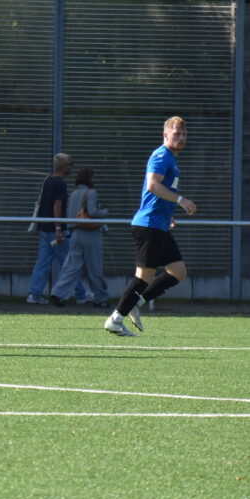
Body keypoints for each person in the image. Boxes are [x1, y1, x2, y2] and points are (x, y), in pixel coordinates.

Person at [104, 116, 197, 336]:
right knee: (144, 276)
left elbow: (159, 192)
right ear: (165, 135)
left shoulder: (171, 159)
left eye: (184, 134)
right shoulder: (161, 155)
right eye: (177, 134)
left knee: (178, 272)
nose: (181, 138)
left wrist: (167, 214)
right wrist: (180, 200)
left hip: (160, 224)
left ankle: (136, 303)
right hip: (148, 225)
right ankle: (115, 319)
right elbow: (153, 185)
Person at [26, 153, 88, 304]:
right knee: (70, 263)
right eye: (70, 165)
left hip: (44, 228)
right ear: (63, 166)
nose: (71, 168)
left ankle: (34, 294)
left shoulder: (48, 180)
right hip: (55, 231)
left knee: (43, 262)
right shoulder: (60, 183)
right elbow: (57, 205)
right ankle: (81, 294)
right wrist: (59, 228)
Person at [49, 168, 112, 307]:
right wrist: (105, 212)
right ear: (90, 178)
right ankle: (100, 298)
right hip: (90, 234)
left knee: (71, 266)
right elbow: (92, 212)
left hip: (75, 234)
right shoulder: (91, 192)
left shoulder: (73, 194)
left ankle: (58, 293)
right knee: (94, 268)